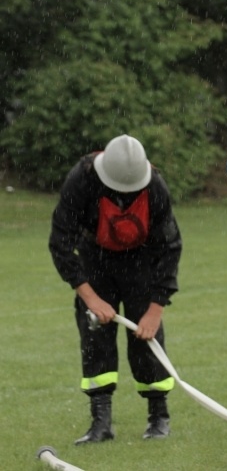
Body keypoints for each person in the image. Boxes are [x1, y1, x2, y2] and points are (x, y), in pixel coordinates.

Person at [49, 134, 182, 445]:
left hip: (141, 263)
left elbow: (171, 247)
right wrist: (90, 298)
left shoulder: (155, 187)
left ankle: (158, 418)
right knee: (95, 339)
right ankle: (101, 423)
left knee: (147, 343)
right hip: (95, 262)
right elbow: (60, 243)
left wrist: (155, 309)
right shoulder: (81, 180)